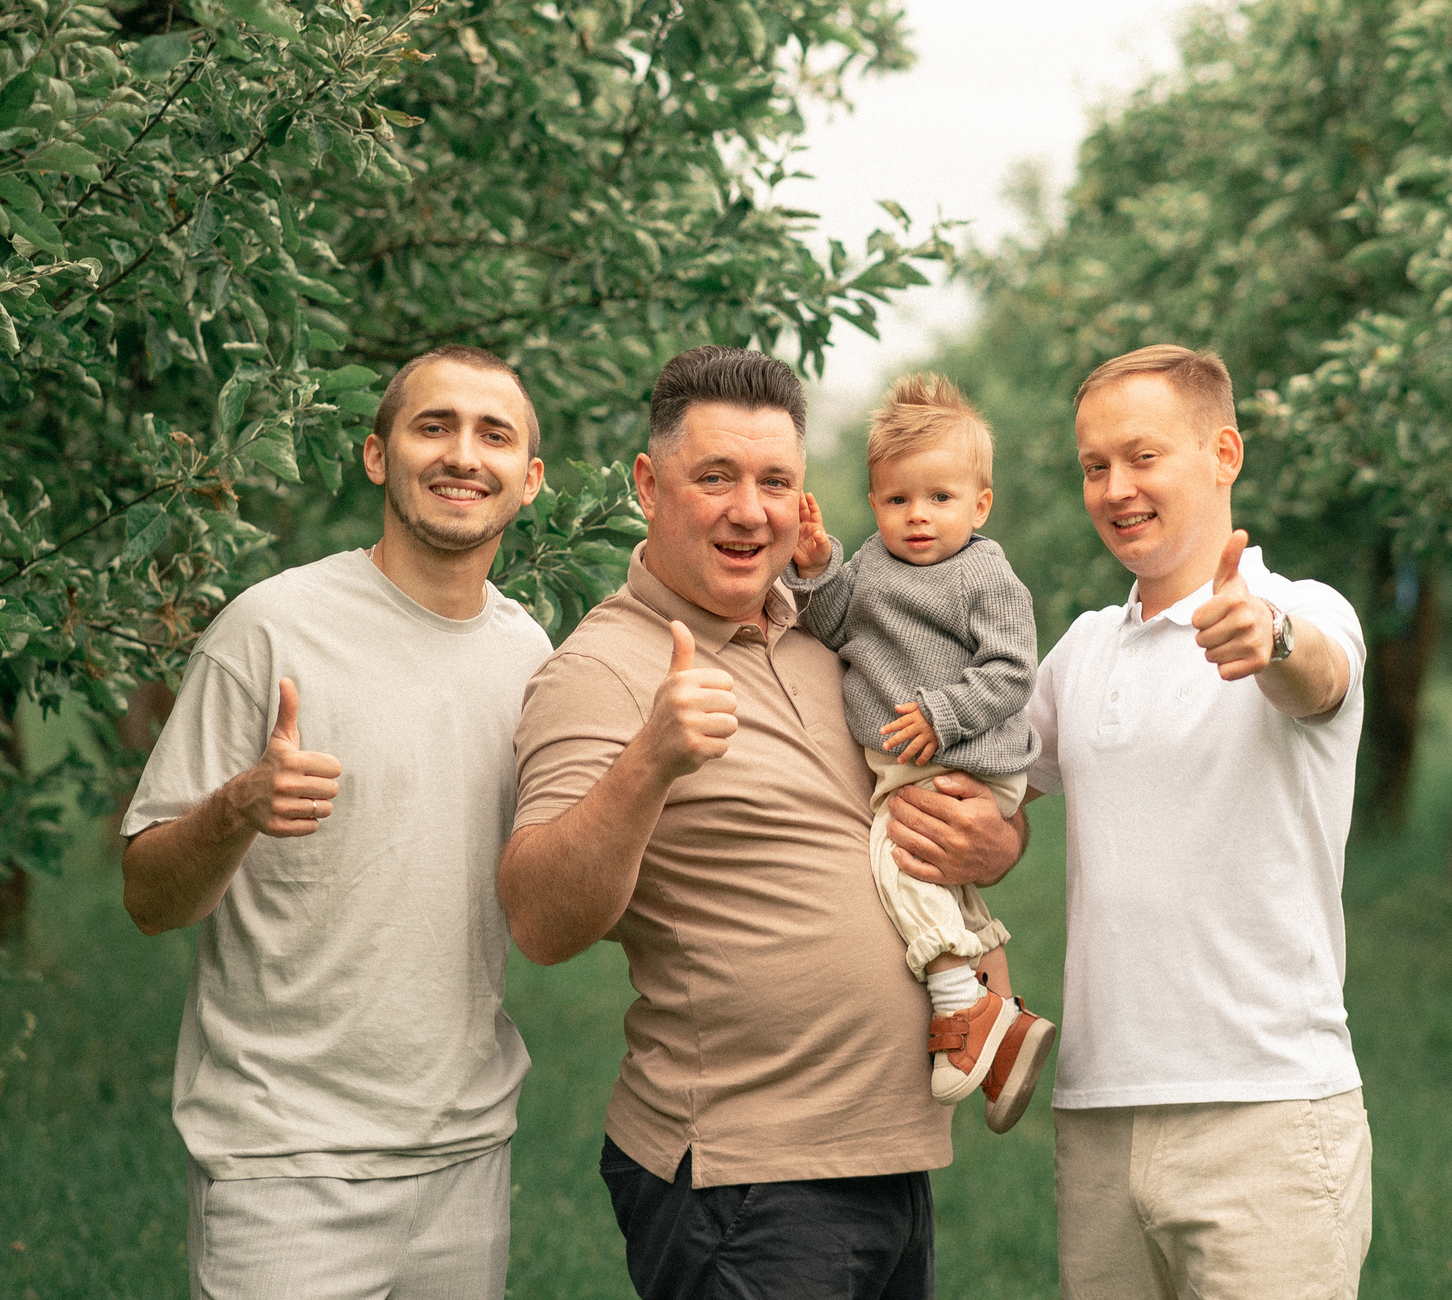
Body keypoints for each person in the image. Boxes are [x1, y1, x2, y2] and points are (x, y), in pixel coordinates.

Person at [497, 345, 1027, 1300]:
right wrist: (650, 758)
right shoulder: (602, 670)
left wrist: (1001, 839)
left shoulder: (829, 632)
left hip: (887, 1160)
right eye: (717, 477)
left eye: (776, 479)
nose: (751, 510)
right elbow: (539, 916)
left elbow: (929, 788)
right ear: (650, 486)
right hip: (747, 1185)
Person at [120, 346, 555, 1300]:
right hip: (284, 1163)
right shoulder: (270, 628)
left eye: (494, 434)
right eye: (432, 425)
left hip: (465, 1157)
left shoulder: (530, 654)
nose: (461, 455)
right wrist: (239, 804)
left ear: (529, 479)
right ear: (375, 454)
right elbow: (149, 896)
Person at [1023, 343, 1373, 1299]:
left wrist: (1270, 638)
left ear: (1224, 454)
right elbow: (990, 796)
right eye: (1094, 465)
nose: (1115, 488)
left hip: (1265, 1113)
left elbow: (1320, 677)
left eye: (1142, 456)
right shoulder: (1082, 648)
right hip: (1098, 1115)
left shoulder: (1302, 610)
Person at [783, 372, 1056, 1130]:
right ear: (874, 503)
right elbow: (836, 624)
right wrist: (815, 567)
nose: (919, 517)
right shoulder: (871, 562)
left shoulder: (985, 574)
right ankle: (1005, 1030)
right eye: (898, 499)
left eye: (940, 498)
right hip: (919, 756)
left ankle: (955, 997)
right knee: (944, 880)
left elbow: (1009, 670)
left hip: (966, 753)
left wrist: (941, 714)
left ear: (980, 503)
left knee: (897, 856)